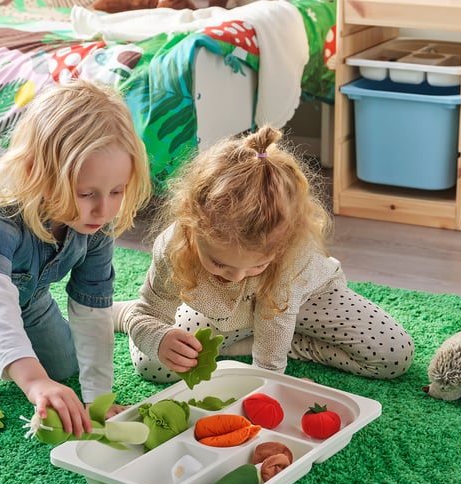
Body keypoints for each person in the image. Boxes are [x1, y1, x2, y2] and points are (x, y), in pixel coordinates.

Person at [113, 125, 414, 383]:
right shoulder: (175, 244)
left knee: (393, 354)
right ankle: (123, 313)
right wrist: (158, 336)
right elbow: (151, 313)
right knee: (152, 363)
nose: (236, 276)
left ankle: (268, 345)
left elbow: (276, 322)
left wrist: (268, 375)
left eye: (256, 265)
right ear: (192, 226)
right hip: (222, 312)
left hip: (306, 299)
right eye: (219, 263)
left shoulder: (290, 252)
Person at [0, 80, 151, 436]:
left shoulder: (95, 225)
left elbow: (91, 307)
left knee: (66, 367)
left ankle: (120, 313)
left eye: (117, 191)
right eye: (86, 193)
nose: (103, 208)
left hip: (27, 298)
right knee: (35, 371)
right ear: (37, 173)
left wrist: (97, 398)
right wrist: (33, 381)